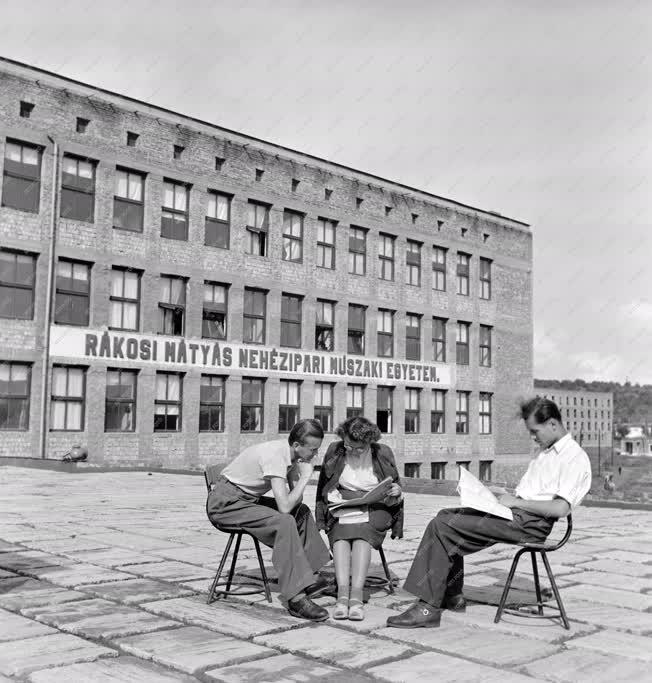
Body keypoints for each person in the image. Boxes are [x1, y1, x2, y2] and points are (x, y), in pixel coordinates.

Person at [387, 397, 591, 629]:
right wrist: (502, 495)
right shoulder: (545, 453)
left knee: (443, 527)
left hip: (531, 525)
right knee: (445, 516)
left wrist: (515, 502)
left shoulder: (574, 457)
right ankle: (452, 596)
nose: (533, 437)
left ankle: (428, 607)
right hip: (518, 514)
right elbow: (534, 494)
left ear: (553, 424)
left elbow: (560, 508)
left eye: (535, 431)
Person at [206, 419, 331, 622]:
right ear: (297, 445)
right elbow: (283, 508)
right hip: (225, 505)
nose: (315, 455)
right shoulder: (276, 456)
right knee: (284, 522)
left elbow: (293, 502)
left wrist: (298, 478)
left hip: (245, 500)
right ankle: (296, 597)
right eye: (313, 450)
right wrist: (305, 478)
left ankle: (311, 576)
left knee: (301, 512)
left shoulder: (289, 454)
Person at [315, 416, 403, 621]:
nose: (352, 451)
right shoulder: (335, 450)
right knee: (340, 536)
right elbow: (324, 486)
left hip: (376, 506)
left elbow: (396, 485)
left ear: (369, 442)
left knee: (362, 535)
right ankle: (342, 594)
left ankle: (356, 595)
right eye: (348, 446)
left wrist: (397, 491)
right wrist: (333, 498)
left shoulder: (383, 453)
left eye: (358, 448)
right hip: (344, 505)